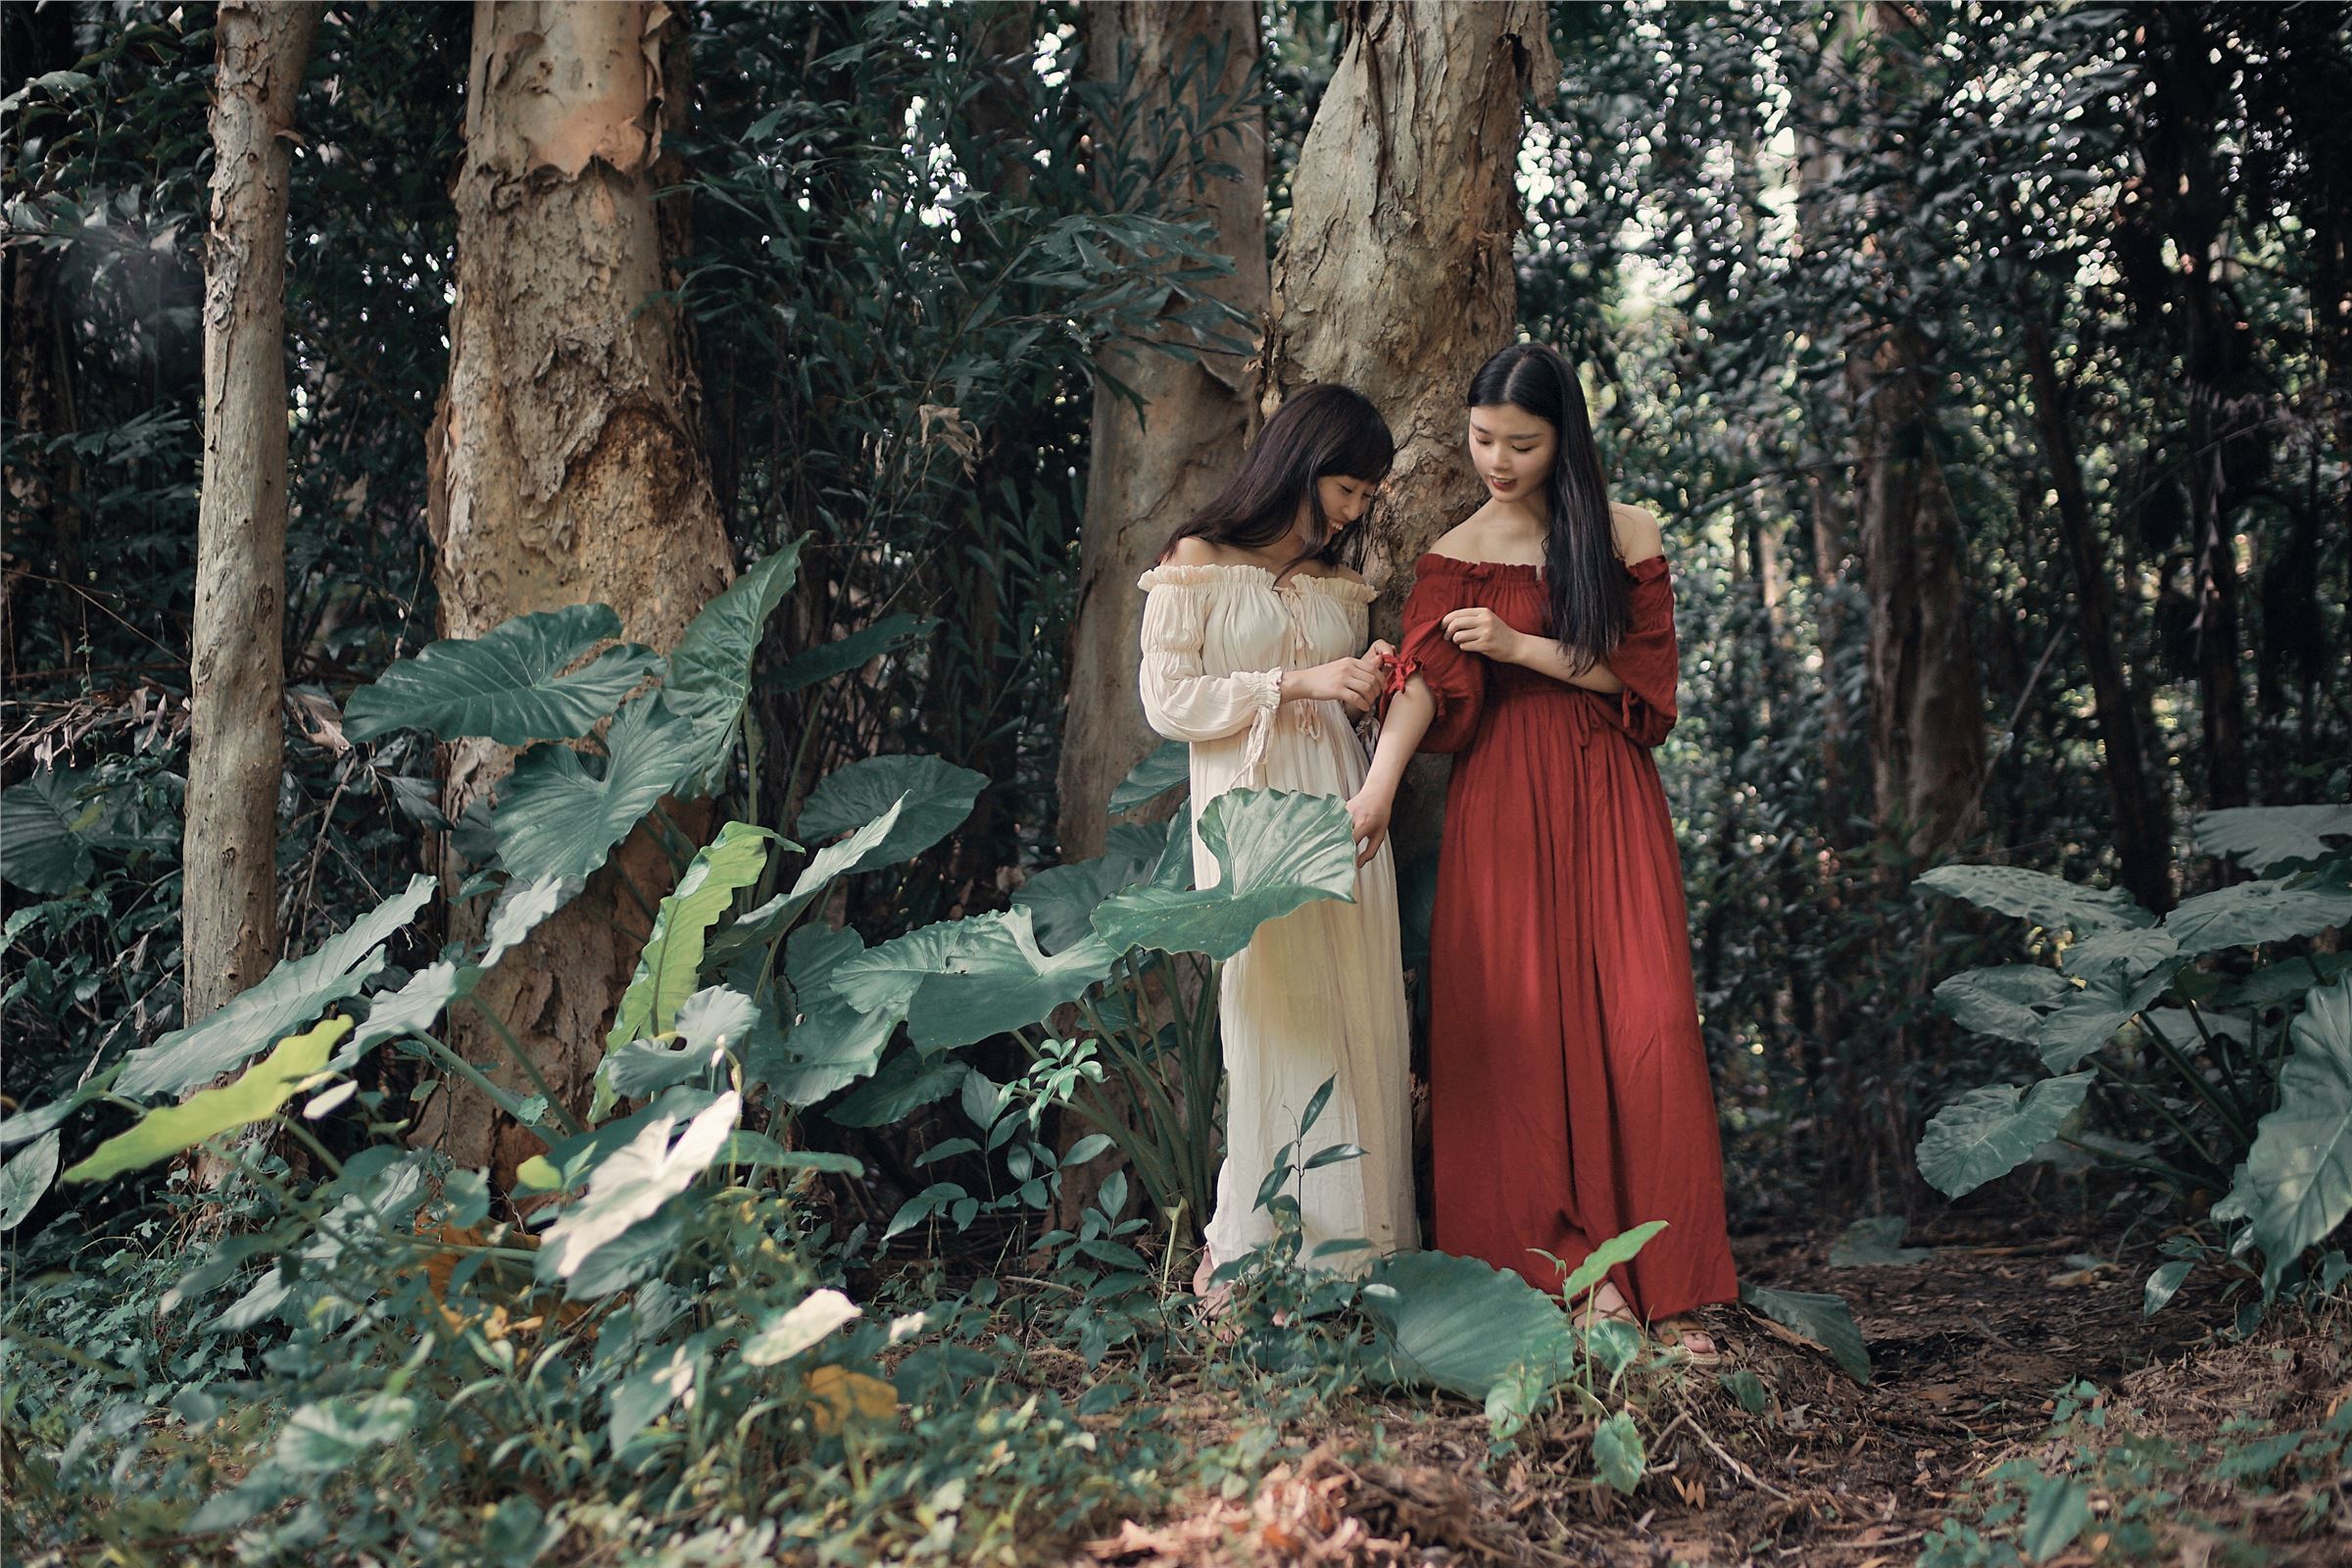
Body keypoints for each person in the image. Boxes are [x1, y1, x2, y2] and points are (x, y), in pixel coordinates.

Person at [1350, 344, 1736, 1358]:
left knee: (1641, 1020)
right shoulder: (1456, 551)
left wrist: (1519, 647)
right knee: (1517, 1034)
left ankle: (1672, 1289)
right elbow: (1421, 682)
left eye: (1521, 442)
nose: (1498, 459)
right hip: (1502, 808)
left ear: (1564, 436)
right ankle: (1570, 1287)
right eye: (1483, 439)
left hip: (1608, 794)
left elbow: (1643, 677)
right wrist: (1380, 787)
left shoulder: (1625, 535)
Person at [1135, 383, 1418, 1301]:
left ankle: (1360, 1260)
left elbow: (1349, 698)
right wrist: (1297, 680)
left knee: (1356, 1015)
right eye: (1349, 489)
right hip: (1254, 824)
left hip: (1342, 814)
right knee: (1270, 1020)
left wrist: (1362, 681)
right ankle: (1255, 1255)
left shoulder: (1343, 584)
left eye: (1367, 497)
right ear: (1301, 464)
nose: (1355, 511)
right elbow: (1169, 703)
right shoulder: (1196, 561)